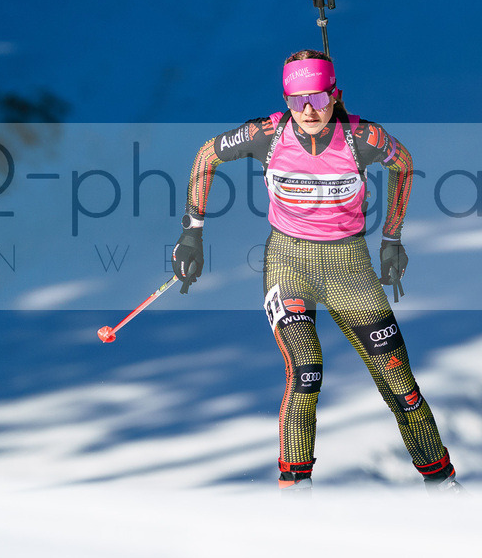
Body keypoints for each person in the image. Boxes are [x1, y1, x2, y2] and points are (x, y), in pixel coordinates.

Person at [171, 49, 462, 494]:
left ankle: (444, 490)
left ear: (335, 94)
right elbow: (205, 157)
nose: (308, 110)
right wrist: (191, 234)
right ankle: (295, 498)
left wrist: (391, 238)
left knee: (400, 385)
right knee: (306, 370)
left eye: (319, 99)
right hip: (289, 262)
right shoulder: (267, 135)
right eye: (296, 99)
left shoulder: (362, 138)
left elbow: (403, 166)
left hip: (350, 268)